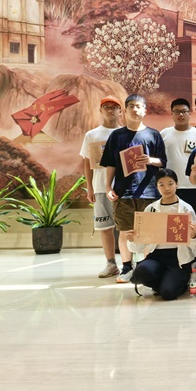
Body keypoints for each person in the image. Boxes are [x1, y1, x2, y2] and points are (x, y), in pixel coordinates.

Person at [100, 94, 167, 284]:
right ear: (125, 110)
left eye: (138, 106)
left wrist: (150, 160)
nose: (135, 110)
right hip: (124, 192)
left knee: (149, 232)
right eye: (131, 106)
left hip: (149, 192)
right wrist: (108, 186)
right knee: (125, 231)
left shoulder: (153, 134)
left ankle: (146, 266)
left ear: (145, 110)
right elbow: (110, 163)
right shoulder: (117, 136)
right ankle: (127, 267)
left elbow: (163, 161)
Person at [125, 169, 196, 300]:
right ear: (156, 187)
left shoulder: (186, 209)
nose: (167, 188)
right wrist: (133, 239)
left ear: (177, 184)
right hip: (156, 256)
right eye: (162, 185)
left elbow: (195, 248)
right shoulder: (151, 209)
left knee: (168, 293)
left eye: (170, 183)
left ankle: (177, 282)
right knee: (140, 273)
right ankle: (166, 281)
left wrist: (193, 236)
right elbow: (138, 248)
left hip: (178, 258)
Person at [80, 95, 123, 278]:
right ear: (100, 110)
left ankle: (130, 264)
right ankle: (111, 264)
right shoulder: (92, 135)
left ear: (120, 111)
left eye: (114, 107)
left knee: (127, 228)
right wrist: (89, 188)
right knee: (105, 227)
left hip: (123, 187)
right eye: (106, 107)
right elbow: (87, 162)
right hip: (99, 187)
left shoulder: (126, 133)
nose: (110, 110)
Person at [160, 98, 196, 214]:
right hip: (170, 187)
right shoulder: (164, 134)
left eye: (184, 111)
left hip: (193, 186)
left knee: (193, 221)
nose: (180, 114)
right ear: (171, 114)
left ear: (190, 114)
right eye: (177, 111)